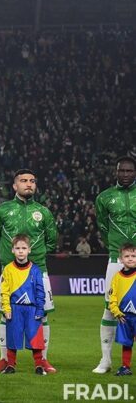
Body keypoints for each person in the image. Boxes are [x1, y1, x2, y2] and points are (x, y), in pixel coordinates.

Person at [0, 169, 57, 373]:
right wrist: (6, 257)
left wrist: (36, 258)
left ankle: (43, 359)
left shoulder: (44, 212)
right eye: (24, 180)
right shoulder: (2, 210)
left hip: (38, 270)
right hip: (10, 271)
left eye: (32, 181)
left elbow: (52, 240)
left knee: (42, 314)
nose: (29, 184)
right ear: (14, 185)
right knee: (6, 313)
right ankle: (4, 359)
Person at [94, 156, 136, 374]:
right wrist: (116, 247)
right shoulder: (105, 197)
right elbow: (102, 226)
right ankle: (106, 360)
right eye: (122, 171)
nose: (126, 174)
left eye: (129, 171)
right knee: (110, 309)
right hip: (116, 259)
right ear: (116, 172)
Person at [0, 234, 47, 376]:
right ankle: (10, 365)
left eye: (24, 248)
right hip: (15, 309)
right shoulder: (8, 269)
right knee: (13, 337)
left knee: (35, 338)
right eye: (18, 248)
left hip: (32, 309)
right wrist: (6, 308)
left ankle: (39, 366)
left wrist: (40, 309)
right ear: (12, 250)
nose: (21, 251)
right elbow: (4, 291)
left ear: (29, 250)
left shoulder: (35, 270)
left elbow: (40, 291)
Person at [109, 243, 136, 376]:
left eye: (133, 256)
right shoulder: (117, 277)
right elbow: (112, 297)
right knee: (126, 343)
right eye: (127, 256)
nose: (130, 258)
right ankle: (125, 367)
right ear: (121, 259)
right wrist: (117, 312)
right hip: (124, 316)